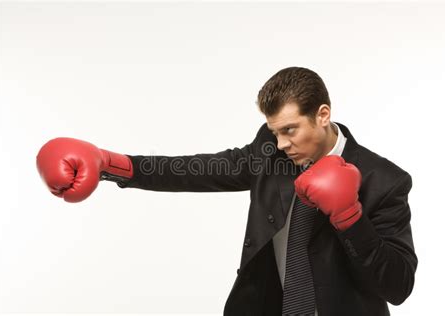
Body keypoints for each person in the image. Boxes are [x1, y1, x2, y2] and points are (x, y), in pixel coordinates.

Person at [36, 67, 417, 315]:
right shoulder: (271, 149)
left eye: (290, 130)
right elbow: (201, 170)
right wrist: (113, 163)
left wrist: (350, 217)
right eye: (273, 131)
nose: (281, 143)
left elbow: (398, 286)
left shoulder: (384, 180)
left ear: (322, 114)